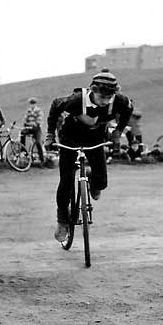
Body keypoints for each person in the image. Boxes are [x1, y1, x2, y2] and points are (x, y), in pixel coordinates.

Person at [45, 68, 133, 242]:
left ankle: (93, 180)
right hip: (70, 136)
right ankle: (62, 221)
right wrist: (49, 135)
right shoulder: (76, 101)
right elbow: (55, 106)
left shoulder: (119, 101)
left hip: (95, 137)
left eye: (109, 98)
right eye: (101, 98)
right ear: (93, 91)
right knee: (66, 180)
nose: (104, 102)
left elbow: (128, 110)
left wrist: (117, 132)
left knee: (102, 182)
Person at [21, 97, 44, 164]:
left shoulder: (38, 110)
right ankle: (23, 150)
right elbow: (25, 119)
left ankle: (42, 159)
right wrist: (26, 124)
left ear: (35, 104)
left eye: (33, 103)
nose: (32, 105)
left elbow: (38, 121)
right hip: (29, 128)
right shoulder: (28, 111)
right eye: (31, 103)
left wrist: (32, 124)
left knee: (37, 142)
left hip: (36, 129)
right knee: (22, 133)